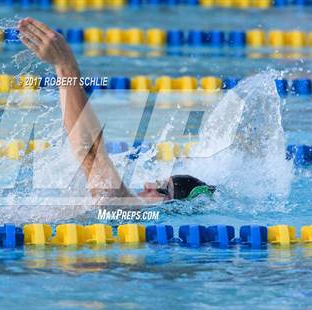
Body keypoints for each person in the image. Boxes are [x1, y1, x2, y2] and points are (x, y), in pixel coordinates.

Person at [17, 18, 215, 206]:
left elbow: (91, 153)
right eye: (158, 182)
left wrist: (65, 66)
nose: (148, 184)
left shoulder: (128, 210)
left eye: (162, 190)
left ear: (173, 208)